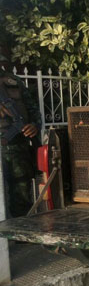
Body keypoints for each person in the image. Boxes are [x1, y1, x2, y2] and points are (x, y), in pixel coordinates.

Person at [0, 56, 41, 218]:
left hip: (19, 146)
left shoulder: (14, 80)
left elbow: (33, 109)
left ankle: (20, 233)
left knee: (22, 191)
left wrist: (35, 126)